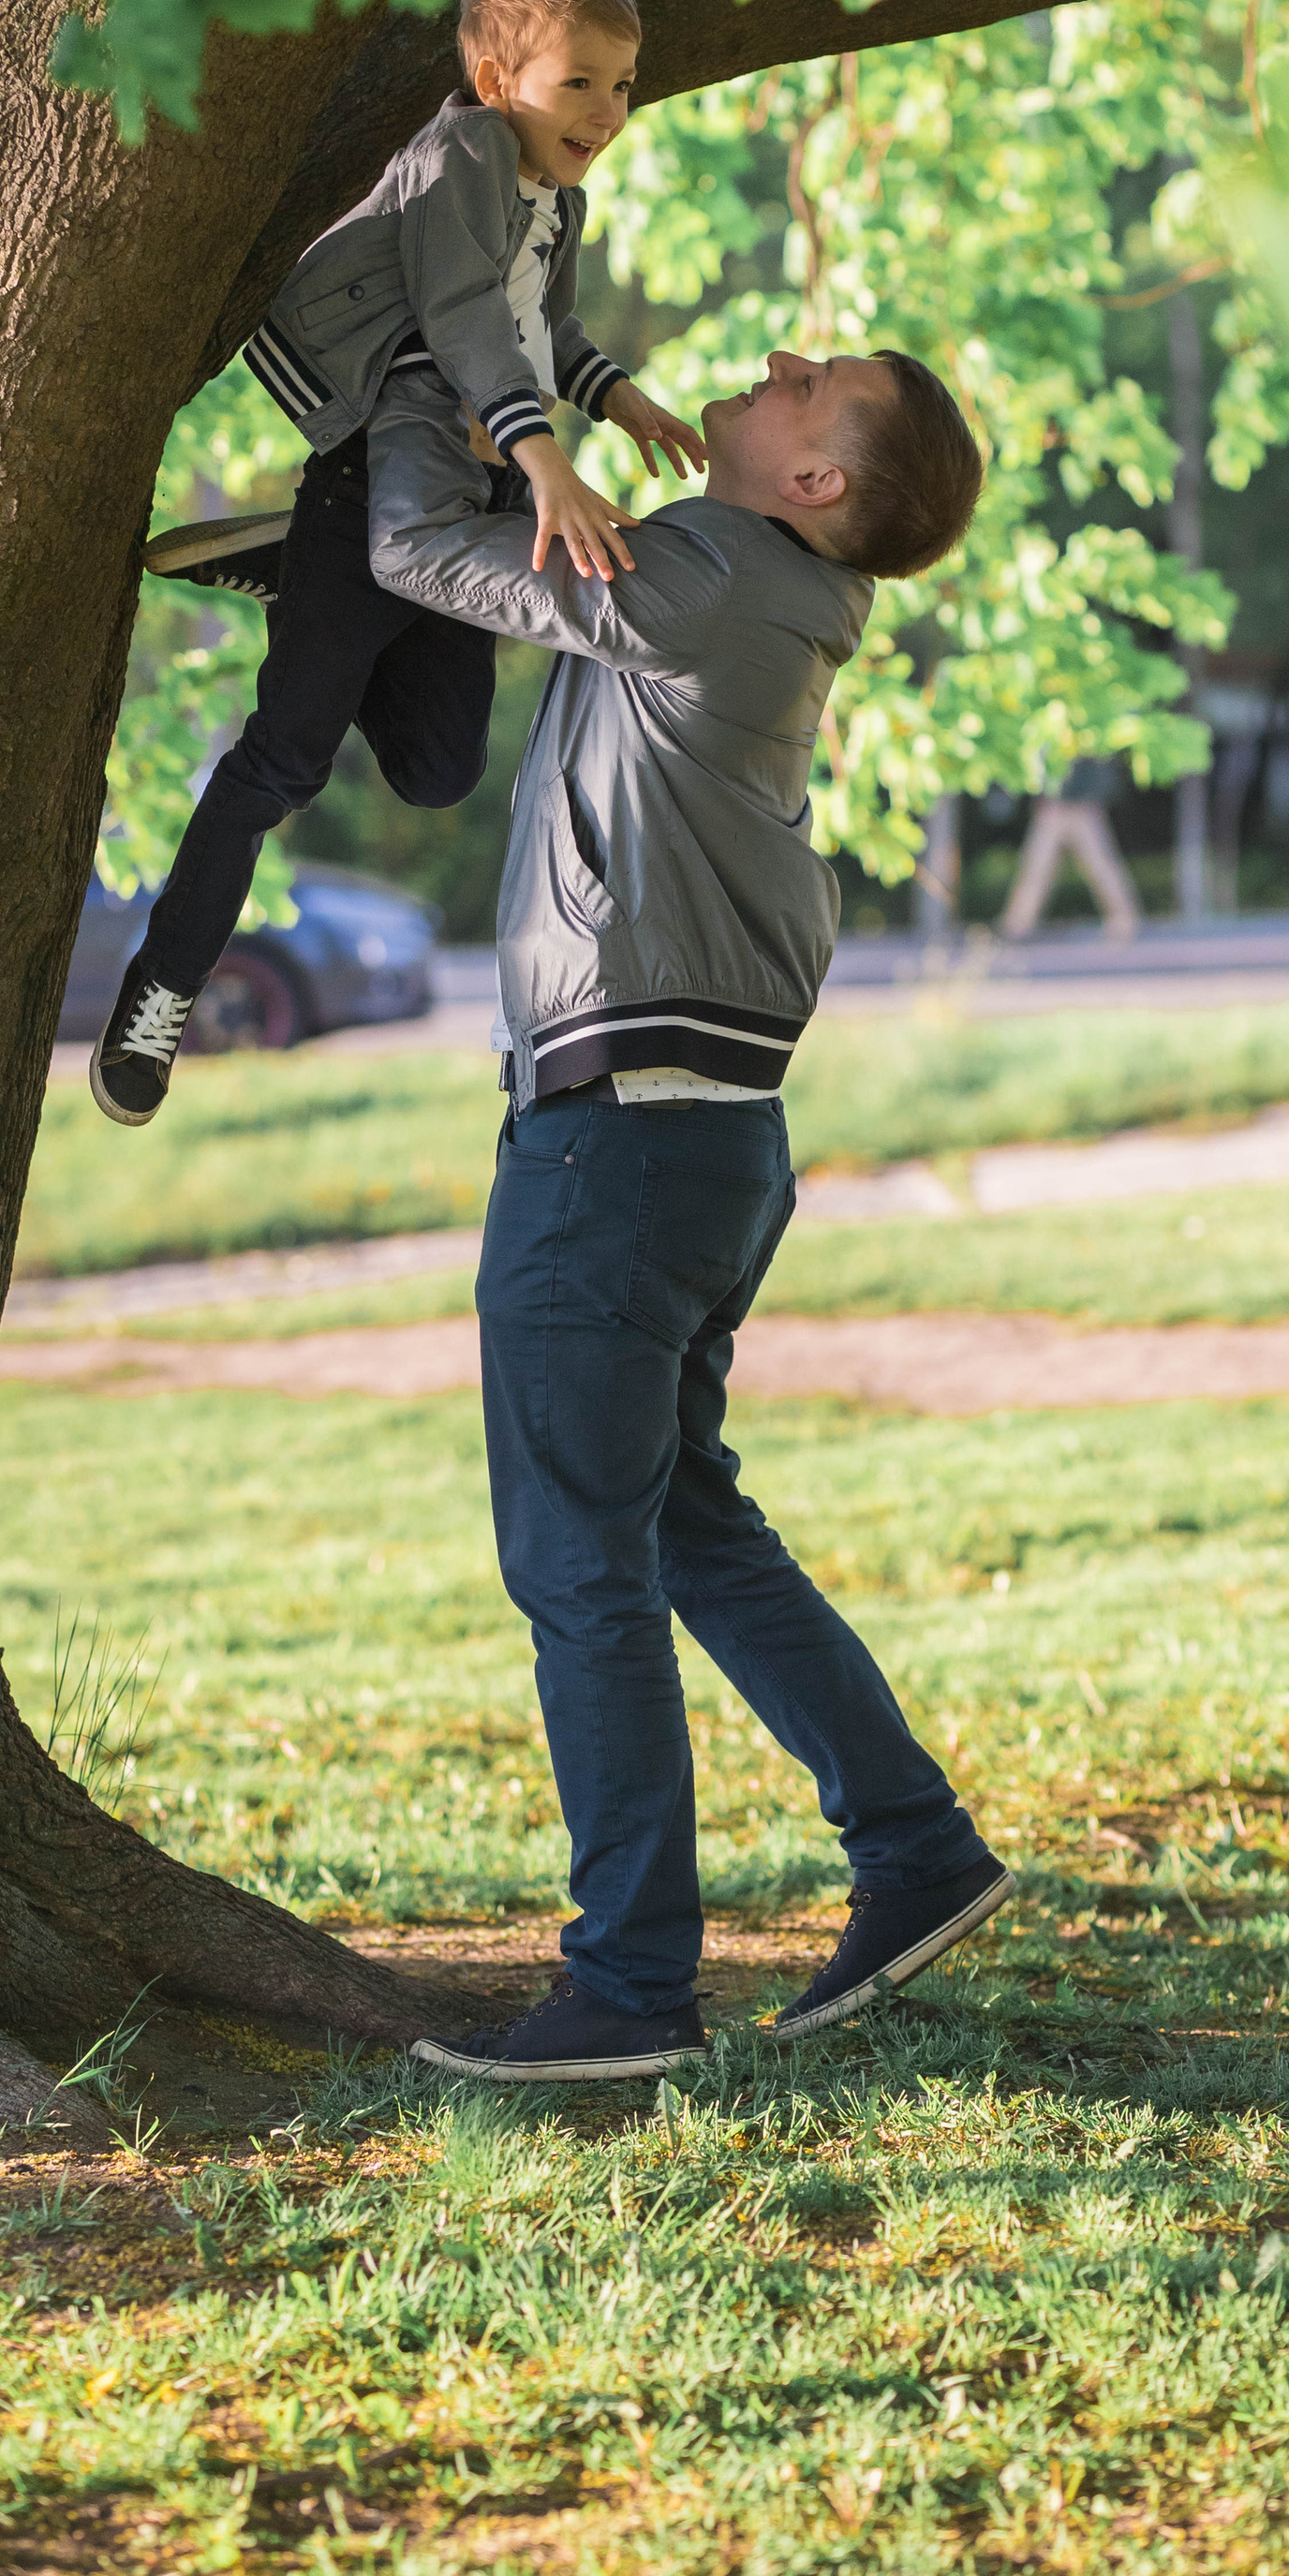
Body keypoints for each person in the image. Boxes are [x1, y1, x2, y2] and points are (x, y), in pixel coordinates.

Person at [357, 334, 1009, 2081]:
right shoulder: (752, 583)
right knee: (681, 1527)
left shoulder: (711, 576)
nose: (782, 358)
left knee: (582, 1555)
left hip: (617, 1156)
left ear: (815, 486)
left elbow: (417, 550)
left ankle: (632, 1988)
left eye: (816, 386)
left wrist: (432, 390)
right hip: (706, 1148)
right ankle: (917, 1846)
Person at [91, 0, 703, 1125]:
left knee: (439, 771)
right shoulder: (461, 153)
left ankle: (300, 576)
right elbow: (463, 314)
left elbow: (539, 327)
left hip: (450, 499)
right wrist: (543, 462)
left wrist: (616, 395)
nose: (608, 112)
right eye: (580, 81)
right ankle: (157, 994)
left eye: (623, 85)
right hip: (391, 449)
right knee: (284, 759)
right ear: (492, 76)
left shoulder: (552, 198)